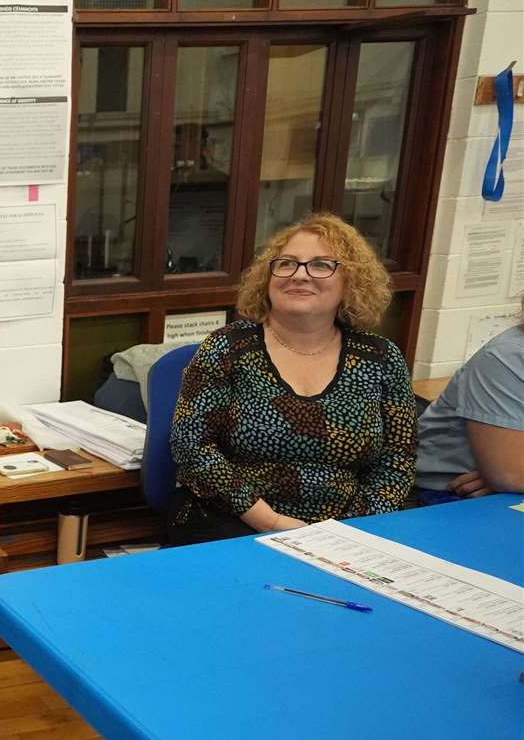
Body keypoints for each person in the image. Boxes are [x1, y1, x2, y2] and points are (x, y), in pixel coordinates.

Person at [168, 213, 416, 545]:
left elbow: (398, 457)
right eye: (286, 264)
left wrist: (357, 530)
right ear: (266, 278)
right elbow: (192, 448)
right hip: (234, 522)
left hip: (349, 532)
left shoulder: (381, 357)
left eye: (320, 265)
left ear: (351, 281)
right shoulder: (227, 348)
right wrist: (270, 522)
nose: (300, 275)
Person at [415, 297, 524, 501]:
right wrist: (511, 475)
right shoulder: (508, 356)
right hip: (444, 494)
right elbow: (511, 475)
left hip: (499, 489)